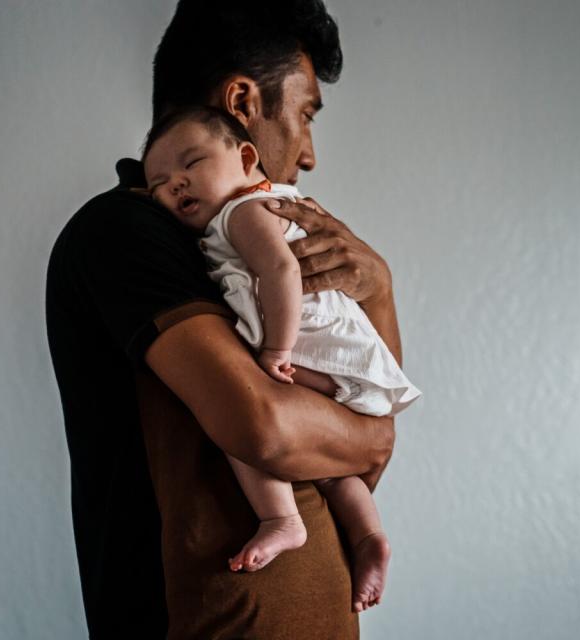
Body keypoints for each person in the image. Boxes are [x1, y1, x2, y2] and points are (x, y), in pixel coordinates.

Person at [46, 1, 400, 637]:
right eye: (305, 113)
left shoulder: (242, 239)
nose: (310, 152)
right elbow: (267, 428)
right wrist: (367, 435)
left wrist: (378, 287)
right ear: (242, 101)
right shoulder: (128, 230)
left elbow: (368, 450)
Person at [141, 105, 421, 610]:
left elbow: (281, 273)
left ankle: (281, 518)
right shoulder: (261, 207)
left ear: (247, 157)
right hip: (337, 359)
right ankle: (368, 538)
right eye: (160, 183)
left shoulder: (242, 211)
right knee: (333, 471)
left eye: (191, 165)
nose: (177, 185)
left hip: (308, 344)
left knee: (232, 419)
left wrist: (275, 350)